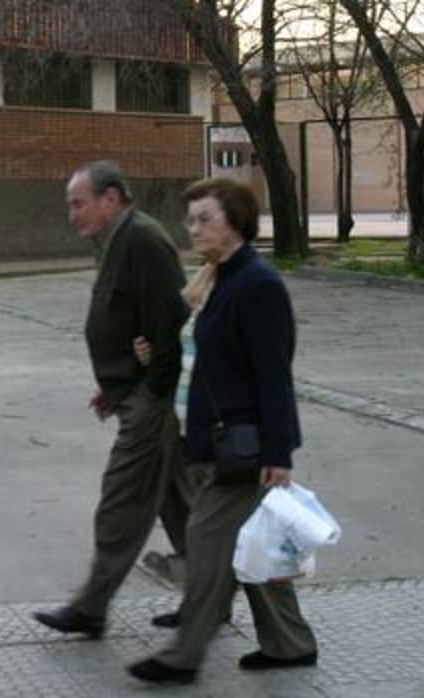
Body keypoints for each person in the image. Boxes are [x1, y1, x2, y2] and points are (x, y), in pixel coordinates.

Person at [128, 178, 318, 685]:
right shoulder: (219, 279)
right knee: (252, 544)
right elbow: (208, 356)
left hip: (244, 445)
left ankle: (183, 655)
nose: (193, 229)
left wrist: (279, 451)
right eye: (190, 220)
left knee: (207, 540)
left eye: (204, 219)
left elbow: (274, 374)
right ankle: (289, 644)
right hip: (214, 440)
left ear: (235, 222)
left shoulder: (258, 285)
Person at [32, 160, 193, 640]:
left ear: (112, 198)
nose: (72, 214)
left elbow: (170, 322)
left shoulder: (142, 240)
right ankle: (211, 599)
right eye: (70, 204)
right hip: (139, 392)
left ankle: (91, 606)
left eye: (79, 203)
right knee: (181, 502)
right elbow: (129, 319)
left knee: (121, 503)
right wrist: (116, 383)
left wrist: (150, 394)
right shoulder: (114, 242)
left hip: (153, 402)